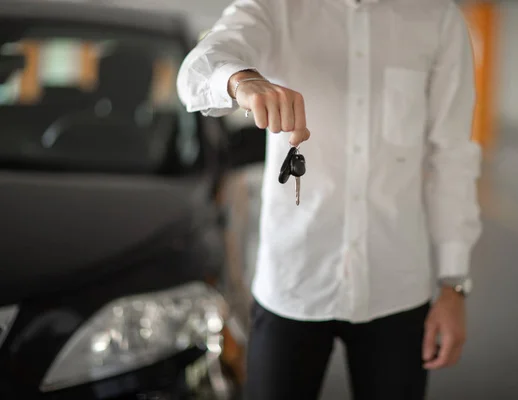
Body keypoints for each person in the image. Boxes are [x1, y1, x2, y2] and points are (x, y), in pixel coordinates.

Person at [177, 0, 482, 398]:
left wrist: (453, 286)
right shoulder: (276, 7)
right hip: (292, 280)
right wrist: (241, 80)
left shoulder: (437, 17)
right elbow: (198, 68)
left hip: (395, 285)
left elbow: (452, 157)